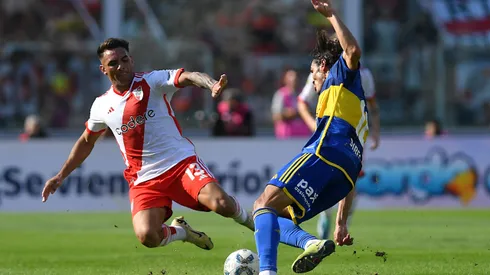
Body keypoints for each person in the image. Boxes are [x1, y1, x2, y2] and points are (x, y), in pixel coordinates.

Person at [41, 38, 254, 251]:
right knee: (147, 236)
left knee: (222, 204)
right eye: (113, 63)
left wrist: (211, 84)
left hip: (180, 164)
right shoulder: (101, 105)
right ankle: (182, 232)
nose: (121, 66)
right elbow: (87, 141)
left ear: (131, 60)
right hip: (144, 179)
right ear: (103, 69)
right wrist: (61, 175)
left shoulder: (152, 81)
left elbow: (189, 76)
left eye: (125, 60)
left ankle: (256, 224)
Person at [253, 1, 365, 274]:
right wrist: (340, 222)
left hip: (323, 153)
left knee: (261, 204)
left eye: (313, 74)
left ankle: (270, 269)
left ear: (324, 66)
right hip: (346, 175)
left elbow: (351, 51)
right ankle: (311, 243)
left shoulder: (339, 76)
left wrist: (332, 16)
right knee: (276, 216)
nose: (312, 81)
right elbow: (352, 169)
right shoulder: (347, 103)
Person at [298, 52, 381, 241]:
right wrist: (315, 126)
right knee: (329, 176)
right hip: (330, 132)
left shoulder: (363, 73)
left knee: (351, 179)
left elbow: (372, 105)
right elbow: (302, 102)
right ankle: (327, 216)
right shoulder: (320, 71)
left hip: (354, 133)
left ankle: (342, 224)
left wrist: (376, 131)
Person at [271, 69, 311, 139]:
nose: (293, 80)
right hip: (285, 137)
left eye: (295, 78)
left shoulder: (305, 93)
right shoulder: (280, 94)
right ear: (285, 80)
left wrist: (300, 112)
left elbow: (313, 112)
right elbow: (276, 116)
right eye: (291, 78)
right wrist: (288, 114)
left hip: (304, 136)